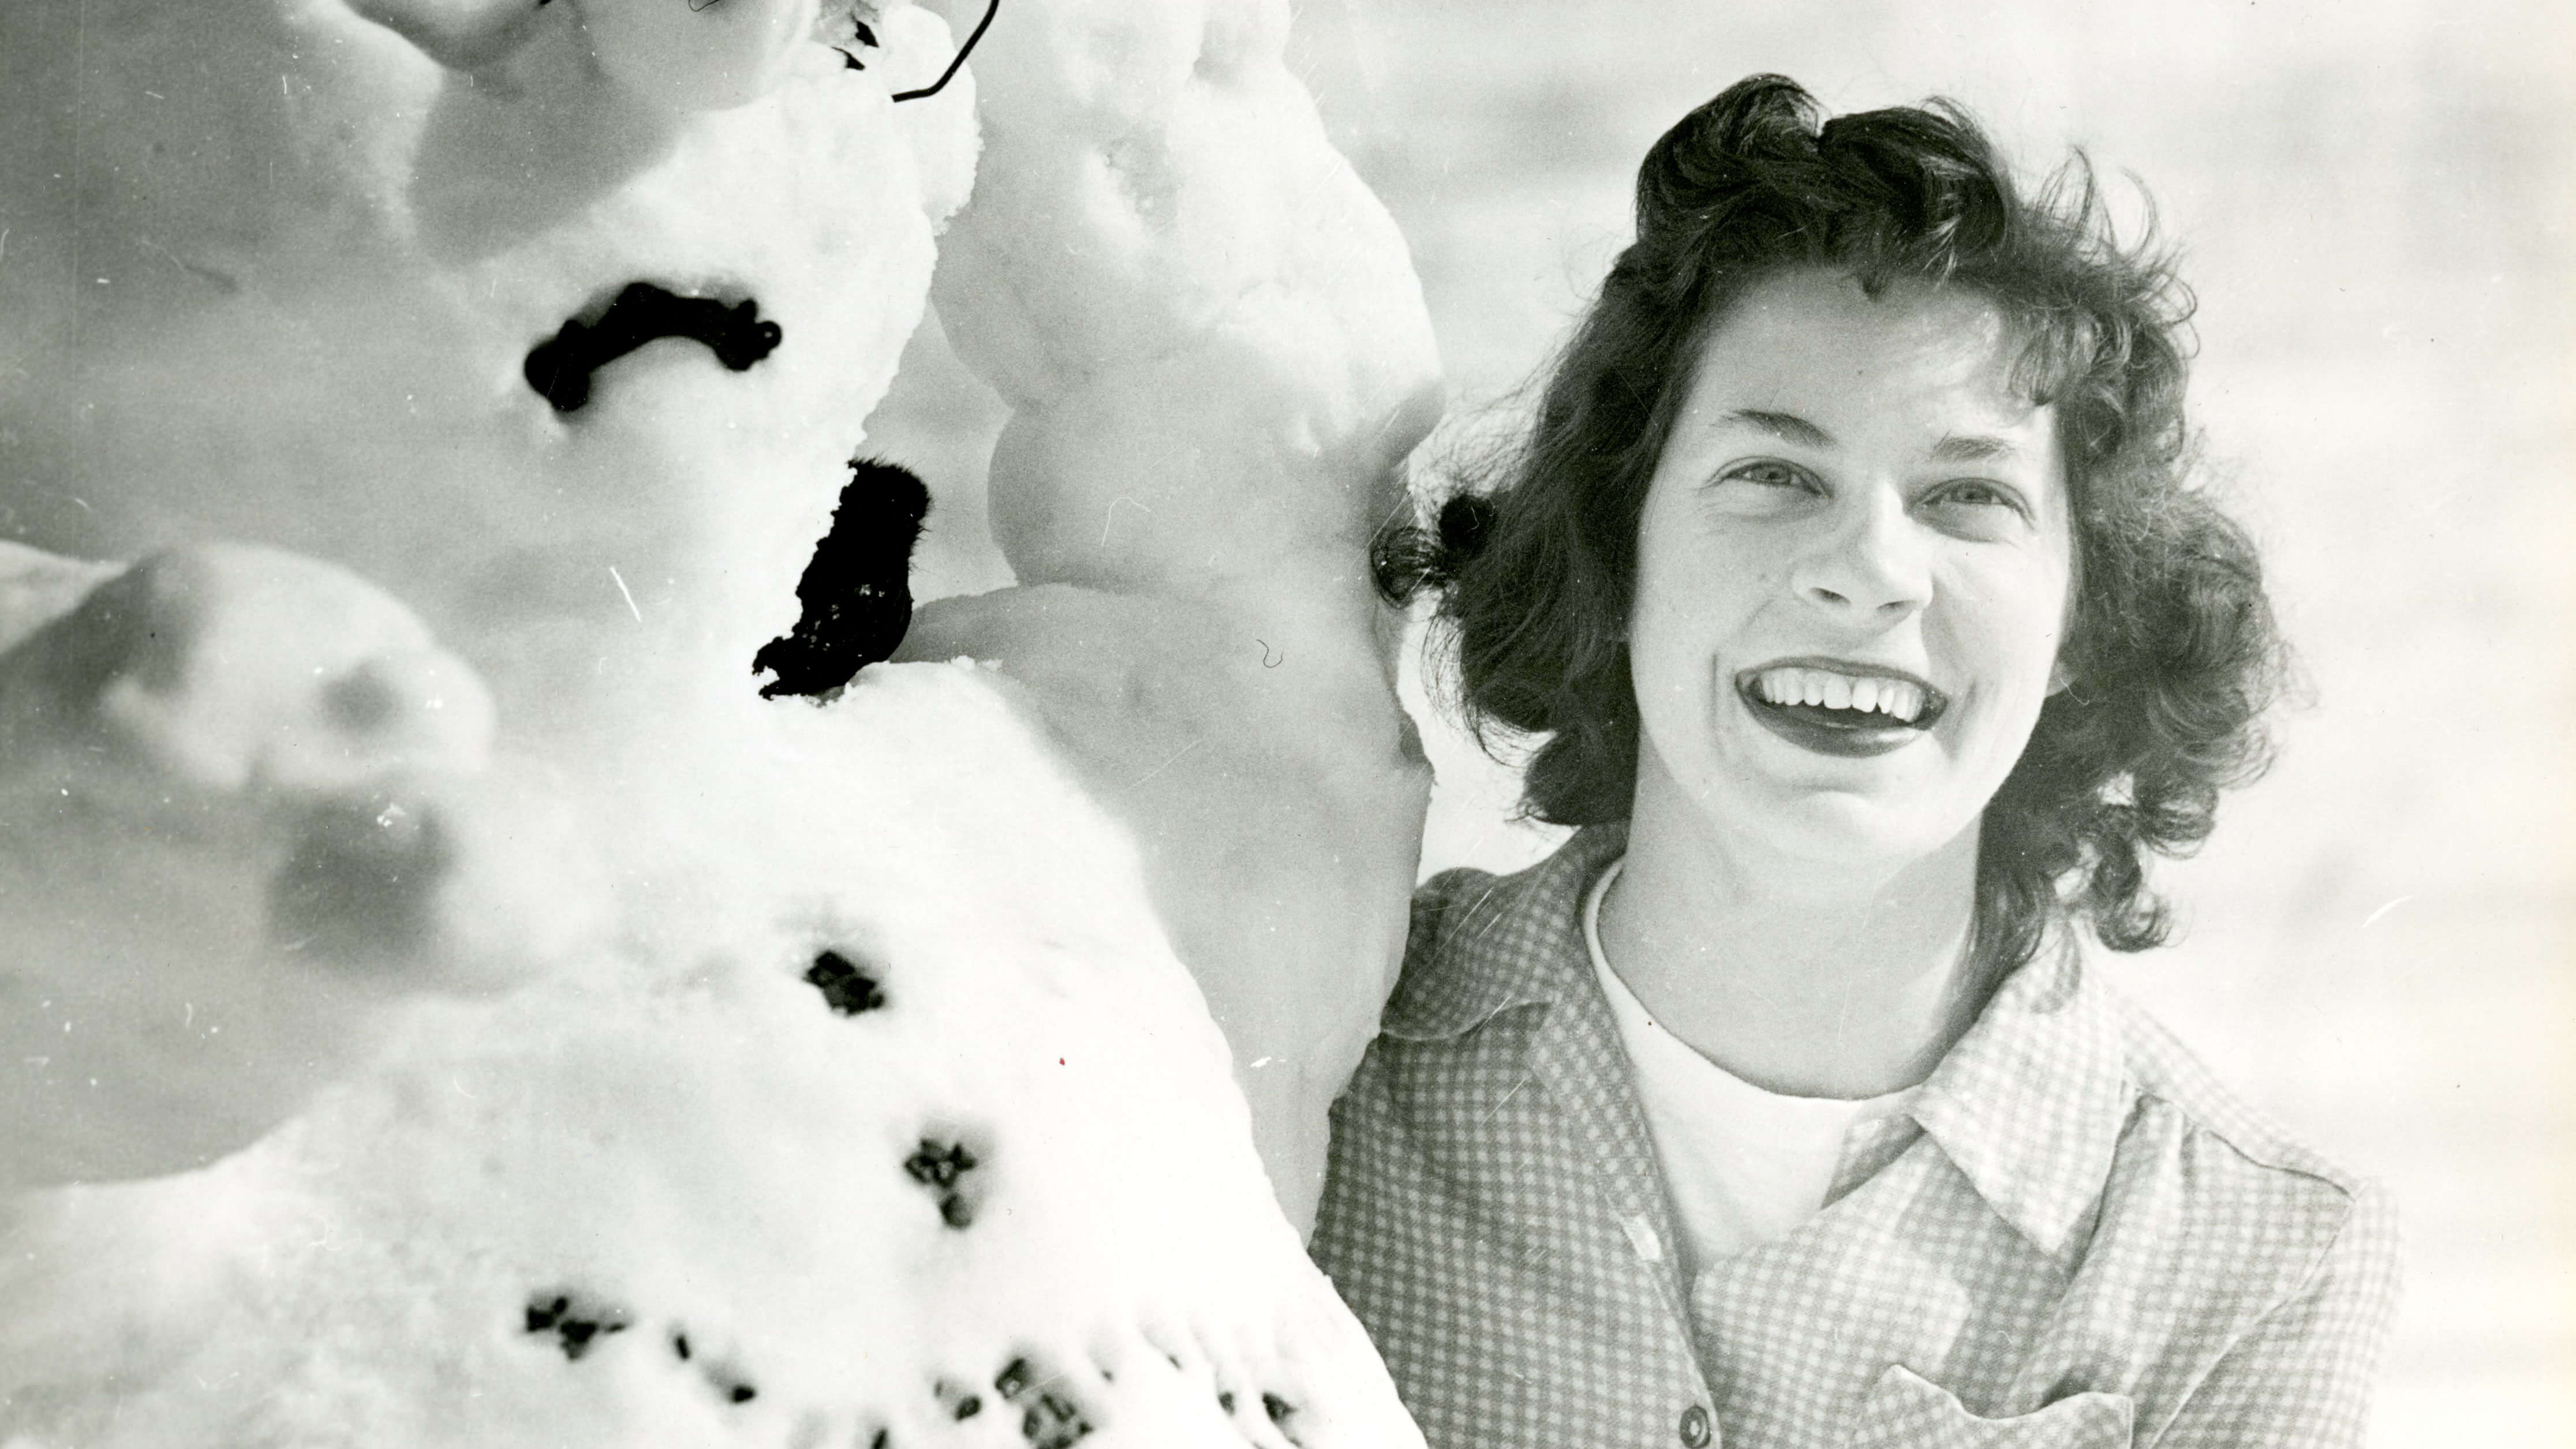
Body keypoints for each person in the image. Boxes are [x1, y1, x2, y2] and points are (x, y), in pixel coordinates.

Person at [1309, 75, 2401, 1448]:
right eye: (1776, 473)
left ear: (2082, 616)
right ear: (1618, 544)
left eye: (1970, 496)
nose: (1869, 571)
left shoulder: (2253, 1260)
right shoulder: (1319, 1037)